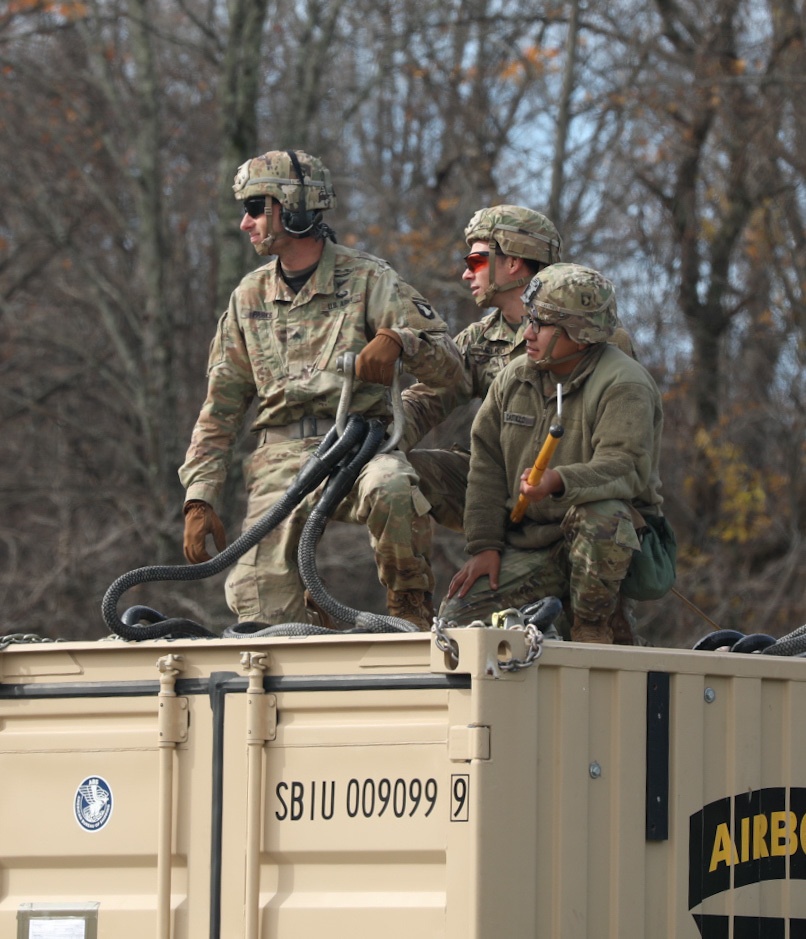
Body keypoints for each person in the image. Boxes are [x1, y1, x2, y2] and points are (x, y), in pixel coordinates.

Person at [179, 149, 463, 630]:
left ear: (291, 208)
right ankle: (309, 625)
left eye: (253, 209)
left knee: (392, 485)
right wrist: (200, 495)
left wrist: (400, 342)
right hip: (279, 462)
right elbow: (221, 405)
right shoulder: (249, 297)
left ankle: (409, 608)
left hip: (357, 447)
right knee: (260, 614)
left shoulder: (370, 279)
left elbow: (451, 368)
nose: (244, 224)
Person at [439, 263, 664, 644]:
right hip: (528, 542)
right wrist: (485, 547)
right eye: (529, 320)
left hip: (601, 546)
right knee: (457, 621)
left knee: (603, 514)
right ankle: (556, 621)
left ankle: (595, 629)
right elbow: (486, 465)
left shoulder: (624, 383)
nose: (527, 333)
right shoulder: (515, 377)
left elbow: (625, 468)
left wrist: (558, 481)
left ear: (579, 333)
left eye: (541, 324)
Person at [400, 205, 564, 532]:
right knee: (397, 476)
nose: (466, 274)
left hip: (572, 493)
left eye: (475, 261)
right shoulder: (479, 339)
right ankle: (409, 582)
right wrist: (372, 439)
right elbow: (425, 400)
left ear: (513, 262)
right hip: (502, 491)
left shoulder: (584, 331)